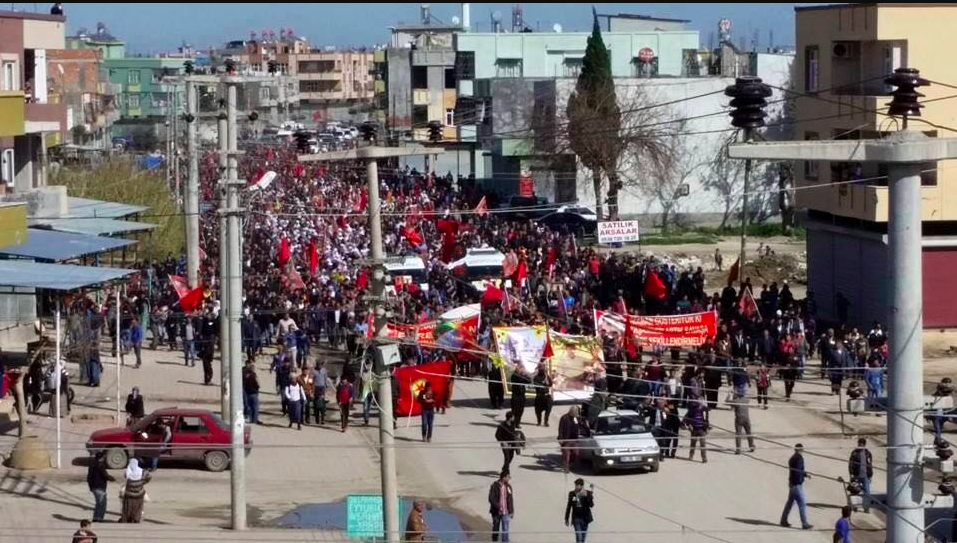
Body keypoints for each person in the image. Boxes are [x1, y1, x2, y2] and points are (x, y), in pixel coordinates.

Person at [780, 443, 812, 530]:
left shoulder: (792, 458)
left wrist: (805, 474)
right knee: (802, 504)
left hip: (792, 483)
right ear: (801, 449)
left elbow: (799, 470)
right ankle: (804, 523)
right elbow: (798, 471)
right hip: (796, 484)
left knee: (789, 503)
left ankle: (783, 520)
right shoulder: (799, 458)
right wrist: (800, 480)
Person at [119, 458, 151, 523]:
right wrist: (142, 482)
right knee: (138, 507)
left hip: (129, 494)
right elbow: (149, 477)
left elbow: (125, 478)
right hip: (139, 493)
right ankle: (136, 519)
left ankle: (126, 519)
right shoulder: (142, 472)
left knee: (127, 507)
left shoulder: (127, 472)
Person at [87, 451, 114, 522]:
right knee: (102, 504)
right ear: (101, 458)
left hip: (94, 488)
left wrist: (91, 487)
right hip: (100, 487)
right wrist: (113, 479)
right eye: (104, 457)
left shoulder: (92, 466)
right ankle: (99, 518)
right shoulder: (101, 466)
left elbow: (89, 477)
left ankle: (95, 518)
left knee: (98, 503)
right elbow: (105, 475)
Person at [564, 478, 595, 543]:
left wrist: (587, 497)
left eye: (577, 485)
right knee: (579, 537)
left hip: (585, 518)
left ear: (582, 486)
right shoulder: (572, 494)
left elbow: (591, 505)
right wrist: (566, 518)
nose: (576, 487)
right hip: (576, 518)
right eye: (575, 485)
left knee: (583, 538)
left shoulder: (587, 493)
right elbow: (569, 506)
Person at [848, 437, 873, 513]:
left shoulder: (868, 453)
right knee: (855, 492)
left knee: (867, 493)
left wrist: (870, 475)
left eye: (862, 444)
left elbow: (870, 465)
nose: (860, 445)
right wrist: (851, 474)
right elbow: (851, 464)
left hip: (865, 476)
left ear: (864, 445)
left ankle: (866, 507)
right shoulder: (854, 453)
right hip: (856, 475)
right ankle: (855, 506)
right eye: (859, 444)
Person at [488, 471, 514, 542]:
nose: (509, 478)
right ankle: (495, 540)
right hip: (496, 512)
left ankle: (505, 541)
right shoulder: (495, 486)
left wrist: (511, 511)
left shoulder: (508, 487)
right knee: (496, 528)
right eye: (508, 477)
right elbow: (491, 498)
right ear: (504, 477)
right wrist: (498, 506)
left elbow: (510, 500)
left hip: (506, 512)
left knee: (505, 529)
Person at [558, 406, 582, 472]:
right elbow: (560, 428)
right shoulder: (564, 417)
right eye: (575, 412)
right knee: (566, 455)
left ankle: (570, 464)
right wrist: (560, 438)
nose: (576, 414)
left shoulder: (576, 418)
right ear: (571, 411)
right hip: (566, 440)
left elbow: (581, 424)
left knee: (576, 453)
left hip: (575, 439)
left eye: (576, 413)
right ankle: (566, 467)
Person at [312, 360, 329, 425]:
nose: (319, 366)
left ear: (322, 365)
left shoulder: (324, 370)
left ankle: (322, 419)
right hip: (316, 388)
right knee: (316, 403)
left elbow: (326, 378)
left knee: (322, 402)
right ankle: (317, 418)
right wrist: (312, 389)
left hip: (322, 388)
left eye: (320, 365)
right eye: (318, 365)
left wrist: (326, 385)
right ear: (316, 365)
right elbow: (312, 380)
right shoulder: (314, 371)